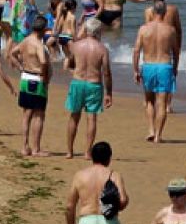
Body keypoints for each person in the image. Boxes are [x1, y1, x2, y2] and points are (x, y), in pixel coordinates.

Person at [64, 16, 112, 158]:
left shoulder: (76, 46)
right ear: (98, 32)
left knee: (74, 116)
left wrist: (74, 70)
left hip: (78, 82)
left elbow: (70, 63)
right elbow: (107, 73)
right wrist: (109, 93)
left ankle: (69, 151)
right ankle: (87, 152)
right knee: (91, 118)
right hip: (94, 84)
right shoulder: (102, 49)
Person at [132, 1, 179, 143]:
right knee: (162, 103)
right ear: (165, 13)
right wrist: (175, 68)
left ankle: (151, 130)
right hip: (165, 66)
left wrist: (135, 70)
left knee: (149, 100)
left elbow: (136, 51)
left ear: (152, 13)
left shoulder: (143, 29)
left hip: (149, 66)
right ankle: (158, 135)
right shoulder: (170, 30)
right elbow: (176, 52)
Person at [7, 16, 53, 157]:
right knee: (39, 115)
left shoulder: (25, 41)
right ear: (44, 30)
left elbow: (12, 53)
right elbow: (44, 62)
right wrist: (45, 77)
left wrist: (21, 67)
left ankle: (24, 146)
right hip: (36, 79)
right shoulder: (38, 44)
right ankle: (36, 149)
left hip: (25, 78)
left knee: (26, 114)